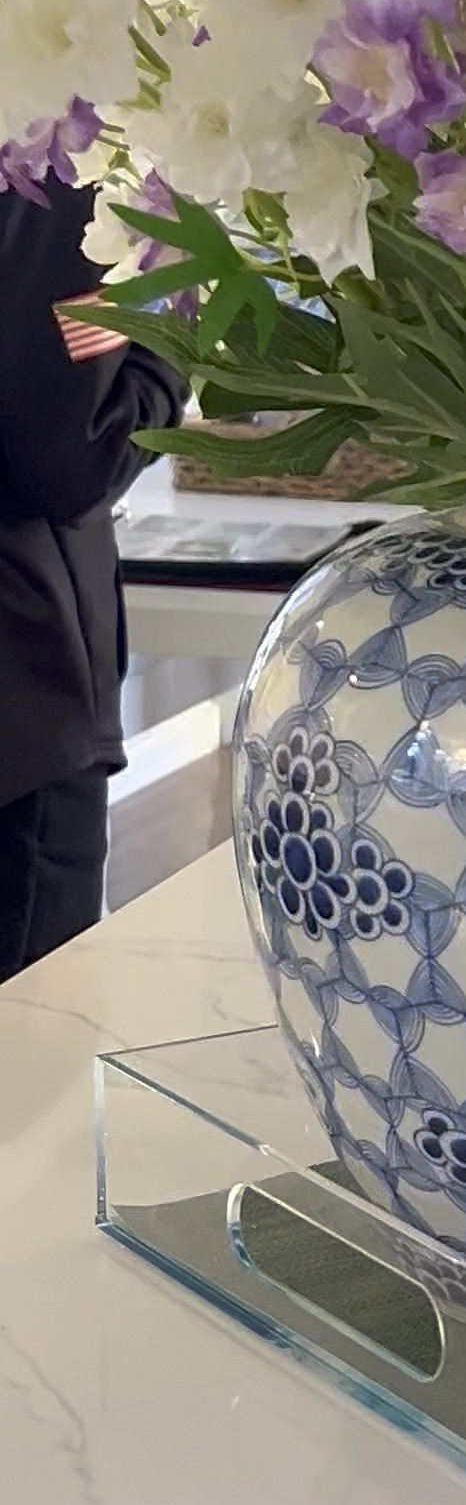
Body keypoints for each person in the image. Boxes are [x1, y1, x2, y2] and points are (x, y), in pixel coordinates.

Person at [0, 172, 186, 979]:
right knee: (30, 1083)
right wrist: (173, 342)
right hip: (20, 699)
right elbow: (74, 453)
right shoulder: (51, 156)